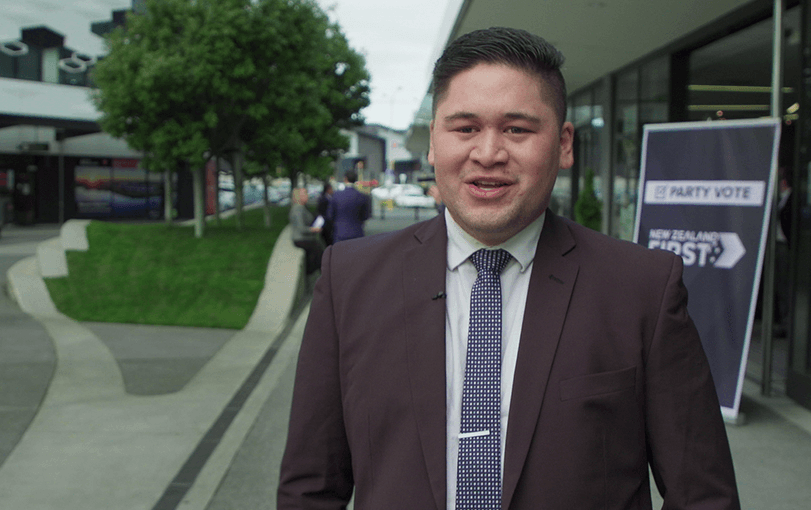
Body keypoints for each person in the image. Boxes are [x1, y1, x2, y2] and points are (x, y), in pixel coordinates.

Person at [279, 27, 739, 510]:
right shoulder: (349, 280)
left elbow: (702, 495)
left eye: (518, 129)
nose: (488, 153)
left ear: (564, 145)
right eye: (464, 128)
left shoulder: (643, 288)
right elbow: (311, 488)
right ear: (433, 142)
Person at [327, 169, 371, 243]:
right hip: (357, 233)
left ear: (345, 179)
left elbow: (330, 215)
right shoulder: (363, 197)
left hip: (340, 233)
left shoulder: (336, 195)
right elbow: (366, 216)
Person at [289, 188, 324, 275]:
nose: (307, 196)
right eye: (305, 194)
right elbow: (301, 228)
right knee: (319, 251)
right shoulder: (298, 209)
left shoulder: (302, 208)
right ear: (299, 197)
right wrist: (314, 229)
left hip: (304, 238)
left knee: (319, 250)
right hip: (301, 239)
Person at [316, 182, 334, 246]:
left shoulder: (330, 197)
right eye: (331, 189)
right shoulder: (323, 199)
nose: (332, 190)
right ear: (328, 190)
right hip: (326, 223)